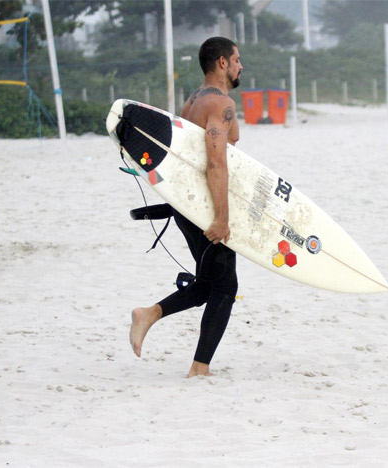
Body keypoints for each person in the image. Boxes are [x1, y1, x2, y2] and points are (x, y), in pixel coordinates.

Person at [129, 37, 242, 378]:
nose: (241, 66)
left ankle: (149, 314)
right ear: (221, 62)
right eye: (237, 60)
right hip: (204, 206)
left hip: (186, 204)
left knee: (211, 283)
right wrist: (222, 217)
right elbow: (216, 163)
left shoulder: (193, 101)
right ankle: (199, 368)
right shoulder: (219, 103)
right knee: (225, 287)